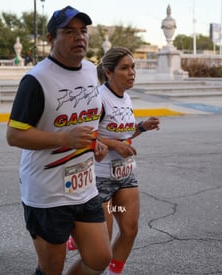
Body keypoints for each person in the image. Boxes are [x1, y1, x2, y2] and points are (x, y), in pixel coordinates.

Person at [6, 5, 112, 275]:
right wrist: (65, 138)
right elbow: (14, 135)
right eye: (69, 32)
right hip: (47, 193)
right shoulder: (36, 80)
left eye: (83, 31)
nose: (80, 37)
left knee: (100, 258)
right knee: (51, 269)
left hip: (85, 187)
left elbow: (87, 119)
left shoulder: (91, 71)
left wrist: (94, 142)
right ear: (51, 39)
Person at [67, 47, 160, 274]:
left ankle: (114, 271)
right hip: (98, 179)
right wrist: (115, 145)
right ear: (108, 73)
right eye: (124, 68)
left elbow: (123, 135)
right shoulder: (98, 98)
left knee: (130, 230)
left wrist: (141, 128)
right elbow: (85, 136)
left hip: (124, 174)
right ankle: (78, 239)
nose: (132, 73)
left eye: (133, 67)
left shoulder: (126, 98)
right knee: (101, 244)